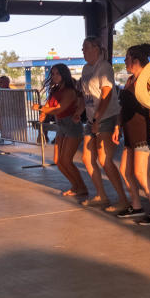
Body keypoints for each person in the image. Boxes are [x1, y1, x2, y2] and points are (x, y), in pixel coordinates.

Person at [112, 44, 150, 226]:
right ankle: (136, 206)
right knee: (126, 171)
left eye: (127, 58)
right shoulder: (129, 81)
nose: (125, 61)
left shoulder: (149, 81)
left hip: (144, 133)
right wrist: (117, 126)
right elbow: (122, 108)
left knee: (141, 174)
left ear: (135, 60)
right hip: (129, 133)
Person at [79, 36, 129, 211]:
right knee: (87, 157)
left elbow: (107, 94)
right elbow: (85, 96)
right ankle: (101, 195)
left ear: (96, 49)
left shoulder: (104, 67)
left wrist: (98, 119)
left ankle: (123, 199)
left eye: (86, 48)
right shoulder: (86, 69)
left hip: (106, 117)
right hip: (92, 118)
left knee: (104, 159)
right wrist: (80, 112)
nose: (83, 51)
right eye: (82, 48)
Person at [37, 64, 88, 199]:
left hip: (71, 125)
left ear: (64, 74)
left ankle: (81, 187)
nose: (54, 76)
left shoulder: (70, 91)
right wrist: (43, 113)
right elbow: (49, 105)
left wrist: (40, 108)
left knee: (66, 160)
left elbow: (59, 108)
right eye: (52, 74)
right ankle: (76, 186)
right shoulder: (55, 90)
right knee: (58, 161)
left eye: (57, 74)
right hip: (61, 126)